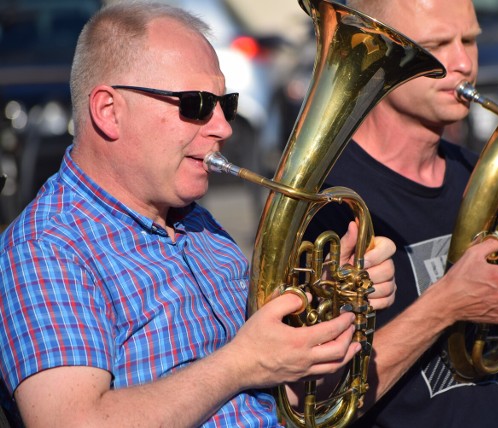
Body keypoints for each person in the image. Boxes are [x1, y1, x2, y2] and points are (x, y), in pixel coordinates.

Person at [0, 2, 397, 427]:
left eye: (226, 103)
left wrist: (334, 310)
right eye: (195, 104)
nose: (223, 127)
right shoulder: (46, 247)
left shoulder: (197, 223)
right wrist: (241, 363)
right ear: (108, 111)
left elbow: (281, 399)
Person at [304, 0, 498, 426]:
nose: (463, 63)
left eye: (469, 39)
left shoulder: (480, 179)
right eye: (437, 45)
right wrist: (447, 304)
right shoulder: (327, 204)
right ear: (379, 54)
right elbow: (316, 407)